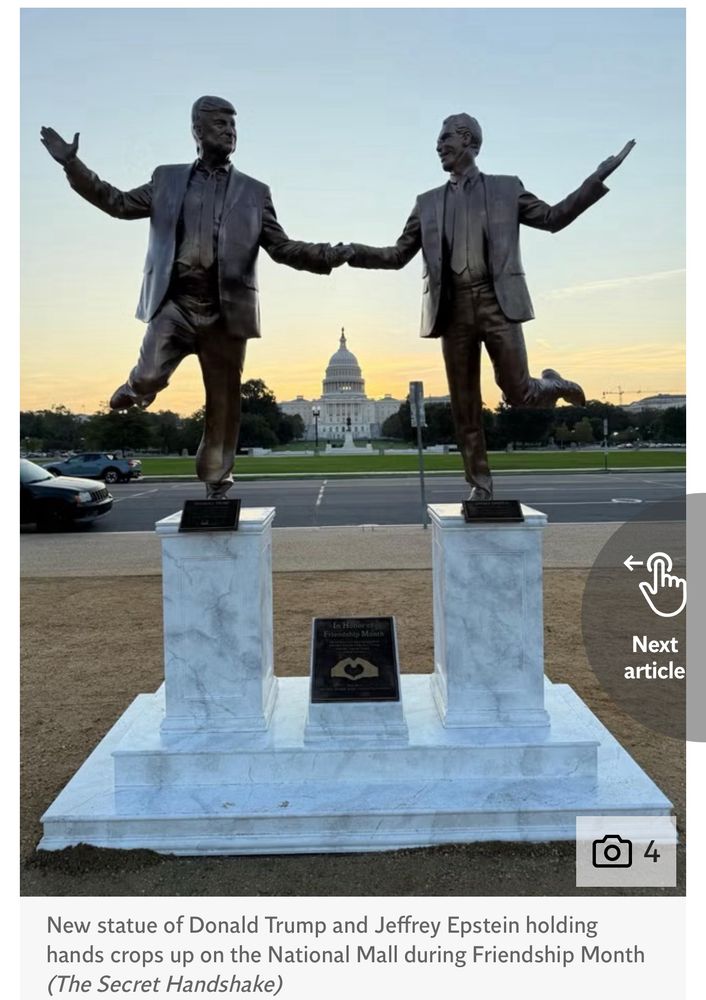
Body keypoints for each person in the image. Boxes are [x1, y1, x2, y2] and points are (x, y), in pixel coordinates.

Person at [41, 96, 352, 497]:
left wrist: (326, 254)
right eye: (221, 124)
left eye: (233, 126)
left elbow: (282, 247)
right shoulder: (167, 179)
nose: (230, 132)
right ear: (197, 131)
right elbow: (117, 202)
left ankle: (217, 479)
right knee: (151, 373)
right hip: (176, 303)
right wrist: (72, 165)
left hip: (226, 311)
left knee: (223, 403)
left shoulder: (255, 192)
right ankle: (138, 387)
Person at [348, 113, 635, 499]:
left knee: (519, 394)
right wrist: (352, 252)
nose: (438, 146)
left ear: (468, 140)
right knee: (464, 405)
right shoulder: (427, 203)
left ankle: (554, 384)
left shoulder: (506, 189)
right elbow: (398, 254)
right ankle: (480, 486)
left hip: (497, 303)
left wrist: (595, 179)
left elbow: (553, 218)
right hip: (452, 311)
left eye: (445, 138)